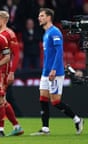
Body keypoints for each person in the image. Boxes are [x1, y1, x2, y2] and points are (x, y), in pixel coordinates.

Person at [30, 8, 84, 136]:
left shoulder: (55, 32)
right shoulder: (46, 33)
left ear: (49, 17)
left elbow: (59, 53)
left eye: (42, 16)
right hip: (46, 72)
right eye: (39, 16)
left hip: (55, 72)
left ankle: (77, 119)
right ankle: (45, 129)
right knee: (43, 98)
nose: (39, 18)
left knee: (55, 101)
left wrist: (54, 69)